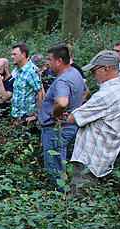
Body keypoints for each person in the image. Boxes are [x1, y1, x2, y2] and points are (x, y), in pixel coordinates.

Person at [64, 50, 120, 199]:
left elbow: (73, 118)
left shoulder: (105, 95)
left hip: (90, 159)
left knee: (81, 203)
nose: (92, 76)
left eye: (94, 71)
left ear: (106, 69)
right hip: (106, 157)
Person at [37, 45, 87, 191]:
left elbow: (62, 101)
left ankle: (59, 200)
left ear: (59, 61)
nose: (47, 63)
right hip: (70, 127)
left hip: (57, 130)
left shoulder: (62, 80)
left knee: (55, 168)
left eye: (49, 60)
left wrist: (54, 114)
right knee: (62, 164)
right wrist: (75, 110)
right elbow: (86, 90)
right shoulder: (75, 73)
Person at [9, 42, 44, 124]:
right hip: (17, 115)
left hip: (27, 118)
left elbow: (41, 92)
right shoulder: (17, 71)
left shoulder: (32, 71)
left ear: (23, 54)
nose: (12, 57)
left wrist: (36, 115)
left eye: (15, 54)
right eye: (12, 54)